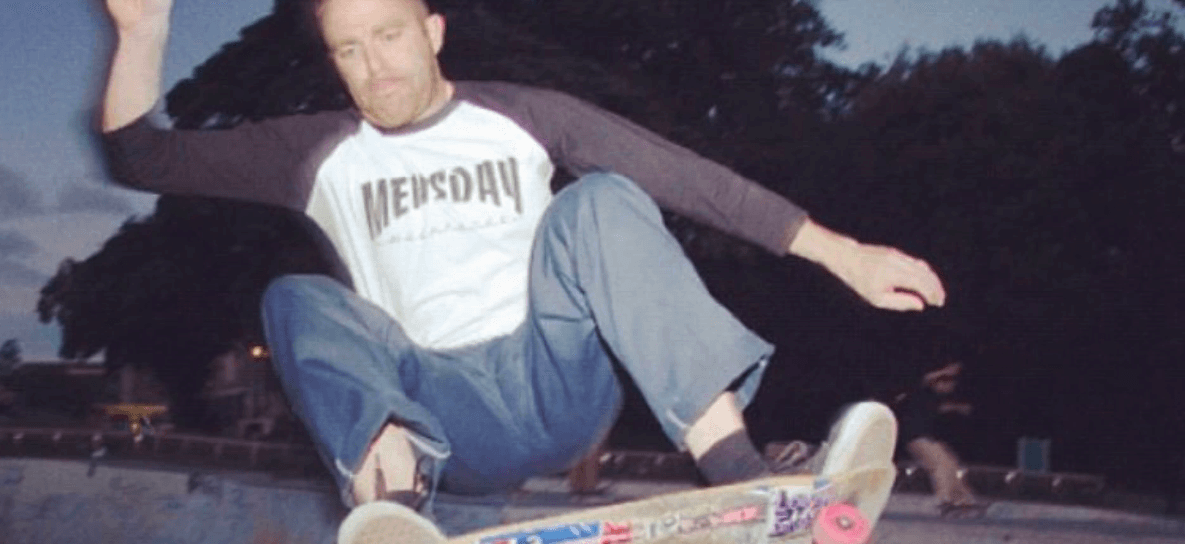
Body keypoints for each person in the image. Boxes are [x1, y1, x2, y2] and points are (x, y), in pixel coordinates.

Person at [98, 0, 947, 512]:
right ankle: (390, 520)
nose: (374, 68)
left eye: (388, 36)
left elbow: (683, 179)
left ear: (433, 32)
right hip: (440, 417)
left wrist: (843, 254)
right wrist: (143, 32)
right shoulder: (312, 151)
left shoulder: (524, 114)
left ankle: (735, 473)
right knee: (295, 297)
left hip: (555, 379)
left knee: (602, 200)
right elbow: (144, 158)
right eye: (349, 50)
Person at [894, 361, 983, 513]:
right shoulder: (923, 391)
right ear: (939, 383)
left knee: (952, 463)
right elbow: (925, 378)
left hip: (926, 438)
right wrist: (946, 371)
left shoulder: (934, 398)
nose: (950, 389)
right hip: (915, 437)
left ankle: (964, 500)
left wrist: (958, 408)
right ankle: (944, 500)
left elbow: (942, 408)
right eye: (949, 386)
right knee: (940, 465)